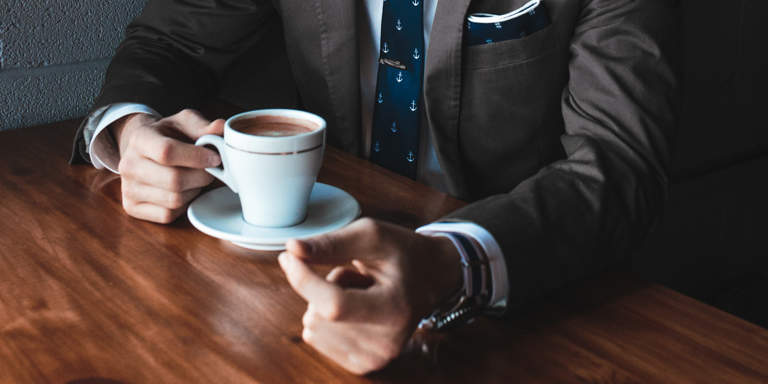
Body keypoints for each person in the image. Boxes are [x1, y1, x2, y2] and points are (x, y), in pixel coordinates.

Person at [70, 0, 678, 375]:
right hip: (292, 282)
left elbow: (620, 162)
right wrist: (129, 130)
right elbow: (169, 40)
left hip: (526, 302)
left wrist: (450, 261)